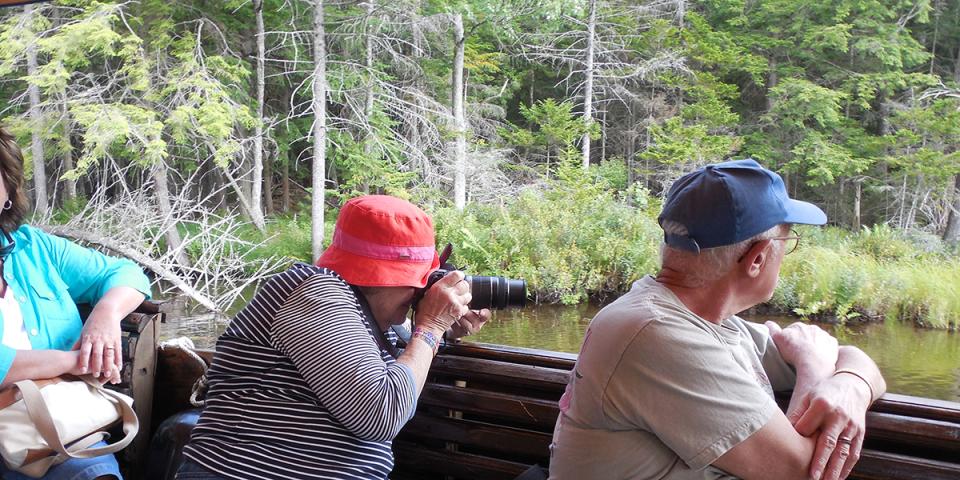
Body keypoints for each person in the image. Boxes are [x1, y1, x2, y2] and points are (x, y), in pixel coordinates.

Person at [549, 159, 886, 480]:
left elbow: (852, 356)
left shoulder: (712, 321)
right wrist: (813, 367)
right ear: (757, 259)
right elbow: (802, 472)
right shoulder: (655, 333)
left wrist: (851, 386)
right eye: (789, 241)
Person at [177, 195, 490, 480]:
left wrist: (444, 331)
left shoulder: (366, 316)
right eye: (420, 281)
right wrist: (431, 326)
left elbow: (398, 370)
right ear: (382, 278)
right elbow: (381, 415)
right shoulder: (316, 293)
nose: (422, 290)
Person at [0, 126, 151, 480]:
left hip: (57, 424)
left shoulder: (35, 248)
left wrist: (106, 313)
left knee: (90, 471)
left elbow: (126, 274)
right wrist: (77, 361)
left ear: (8, 190)